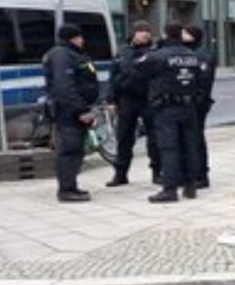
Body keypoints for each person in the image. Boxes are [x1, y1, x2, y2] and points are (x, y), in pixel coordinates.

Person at [139, 24, 205, 203]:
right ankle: (190, 186)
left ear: (165, 35)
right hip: (189, 106)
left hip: (167, 108)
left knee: (169, 148)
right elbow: (200, 81)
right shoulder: (193, 56)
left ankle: (170, 189)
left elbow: (138, 71)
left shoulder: (159, 55)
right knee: (189, 147)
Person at [42, 23, 99, 202]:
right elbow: (64, 87)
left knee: (75, 150)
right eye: (80, 37)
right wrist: (80, 110)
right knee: (69, 149)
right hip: (68, 112)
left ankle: (71, 186)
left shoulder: (72, 54)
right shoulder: (61, 55)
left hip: (74, 109)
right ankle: (66, 190)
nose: (83, 40)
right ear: (73, 38)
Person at [105, 20, 158, 187]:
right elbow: (113, 77)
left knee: (155, 138)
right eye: (141, 30)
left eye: (147, 30)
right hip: (126, 100)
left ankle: (157, 172)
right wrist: (111, 100)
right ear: (133, 33)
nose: (144, 33)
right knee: (124, 138)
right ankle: (120, 174)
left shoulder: (155, 52)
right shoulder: (122, 52)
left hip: (149, 99)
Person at [183, 25, 215, 188]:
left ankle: (201, 175)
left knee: (196, 139)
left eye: (186, 33)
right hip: (191, 103)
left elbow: (203, 82)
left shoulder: (202, 55)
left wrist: (197, 102)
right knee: (190, 139)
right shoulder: (189, 53)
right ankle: (192, 173)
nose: (183, 36)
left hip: (197, 104)